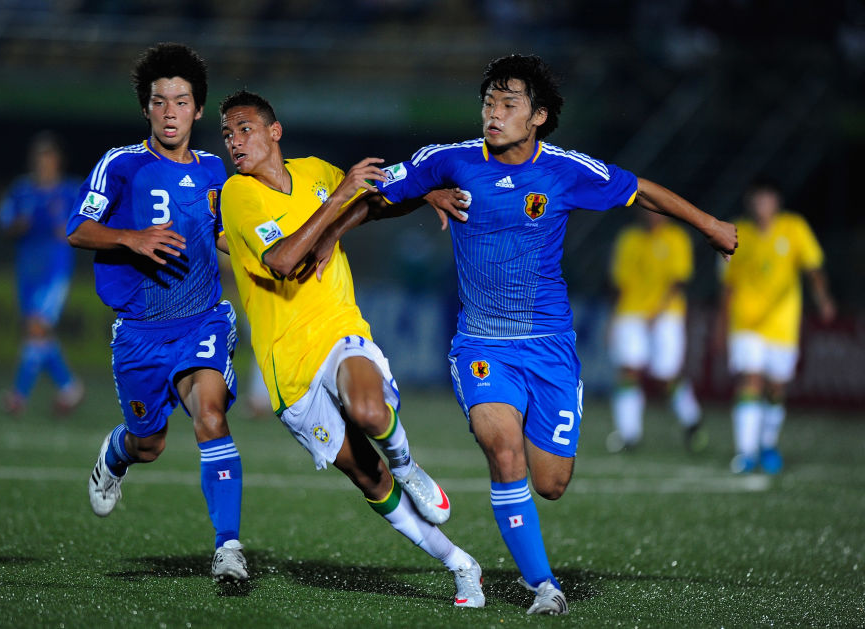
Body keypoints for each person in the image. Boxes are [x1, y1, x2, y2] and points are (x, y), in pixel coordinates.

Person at [309, 54, 737, 615]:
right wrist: (333, 231)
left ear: (538, 116)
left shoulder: (563, 170)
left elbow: (641, 191)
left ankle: (544, 545)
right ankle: (544, 588)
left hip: (550, 346)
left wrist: (709, 224)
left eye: (508, 104)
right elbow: (378, 191)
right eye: (489, 102)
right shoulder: (450, 160)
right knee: (503, 450)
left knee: (551, 483)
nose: (494, 113)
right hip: (481, 345)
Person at [217, 90, 485, 608]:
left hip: (337, 328)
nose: (235, 142)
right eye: (228, 134)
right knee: (368, 476)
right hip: (286, 368)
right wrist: (338, 197)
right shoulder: (238, 194)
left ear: (274, 131)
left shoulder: (316, 172)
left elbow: (369, 202)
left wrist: (423, 194)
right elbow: (281, 260)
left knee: (368, 410)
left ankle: (409, 466)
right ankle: (460, 563)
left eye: (244, 129)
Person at [66, 43, 247, 583]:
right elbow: (78, 228)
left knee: (210, 416)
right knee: (150, 444)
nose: (170, 112)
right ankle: (116, 454)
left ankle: (228, 546)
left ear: (198, 109)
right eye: (160, 101)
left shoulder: (215, 170)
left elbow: (225, 237)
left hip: (203, 319)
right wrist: (132, 238)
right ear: (146, 108)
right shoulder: (121, 164)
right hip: (140, 334)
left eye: (181, 102)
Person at [718, 177, 834, 474]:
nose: (762, 204)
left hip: (782, 324)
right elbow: (728, 285)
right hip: (746, 323)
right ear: (750, 202)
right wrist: (721, 324)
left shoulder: (794, 228)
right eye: (757, 198)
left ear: (777, 202)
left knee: (776, 388)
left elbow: (813, 268)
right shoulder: (736, 232)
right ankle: (745, 453)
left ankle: (767, 444)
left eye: (767, 198)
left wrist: (823, 299)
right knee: (750, 381)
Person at [0, 131, 84, 417]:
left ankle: (18, 396)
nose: (43, 162)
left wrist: (71, 230)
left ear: (58, 160)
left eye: (48, 156)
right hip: (27, 268)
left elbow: (88, 223)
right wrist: (18, 225)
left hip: (54, 269)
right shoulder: (21, 190)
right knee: (35, 331)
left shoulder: (70, 191)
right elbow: (5, 223)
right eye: (39, 156)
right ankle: (69, 387)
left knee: (37, 327)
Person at [606, 209, 704, 453]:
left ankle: (692, 419)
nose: (652, 215)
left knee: (666, 376)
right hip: (631, 312)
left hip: (666, 314)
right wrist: (613, 320)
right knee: (628, 370)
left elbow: (678, 281)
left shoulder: (676, 238)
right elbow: (620, 284)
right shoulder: (629, 239)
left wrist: (657, 312)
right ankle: (629, 435)